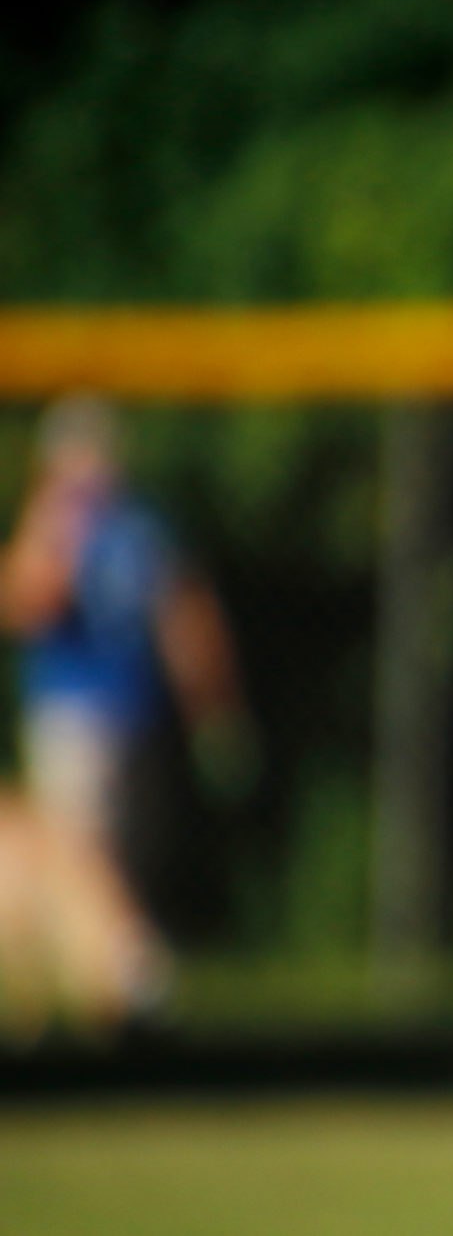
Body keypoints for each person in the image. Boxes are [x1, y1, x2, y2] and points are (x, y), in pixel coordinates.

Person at [1, 395, 251, 1033]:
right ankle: (123, 991)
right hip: (107, 719)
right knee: (90, 861)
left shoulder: (108, 523)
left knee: (99, 865)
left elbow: (40, 599)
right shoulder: (107, 525)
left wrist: (209, 709)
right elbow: (187, 623)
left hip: (109, 716)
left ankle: (125, 990)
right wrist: (212, 709)